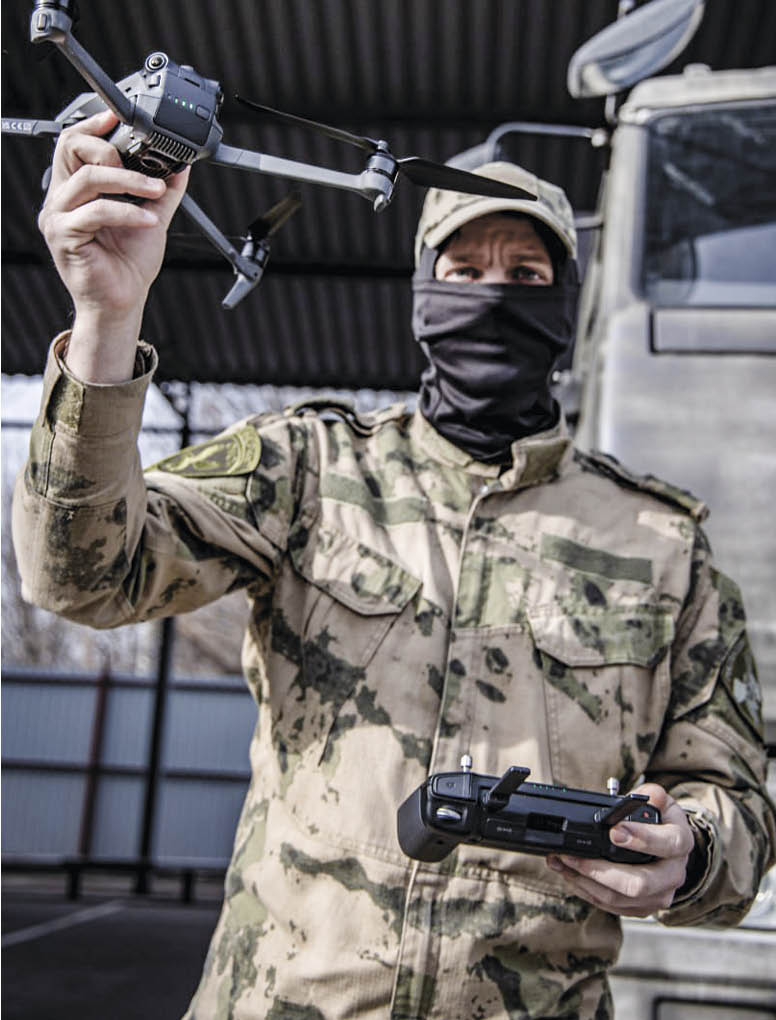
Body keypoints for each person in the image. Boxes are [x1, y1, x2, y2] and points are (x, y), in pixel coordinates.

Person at [12, 109, 775, 1020]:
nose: (493, 295)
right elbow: (80, 574)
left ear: (564, 304)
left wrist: (689, 853)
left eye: (526, 275)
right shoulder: (308, 468)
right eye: (464, 272)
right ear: (423, 298)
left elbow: (737, 809)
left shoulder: (661, 543)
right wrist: (106, 317)